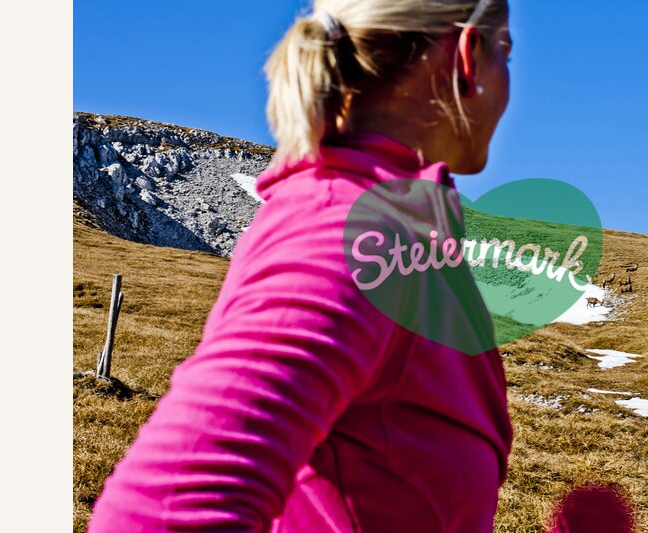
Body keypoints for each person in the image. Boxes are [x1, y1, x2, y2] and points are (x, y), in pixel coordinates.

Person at [88, 0, 514, 531]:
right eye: (507, 53)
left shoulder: (390, 226)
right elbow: (158, 515)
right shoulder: (358, 232)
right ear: (470, 55)